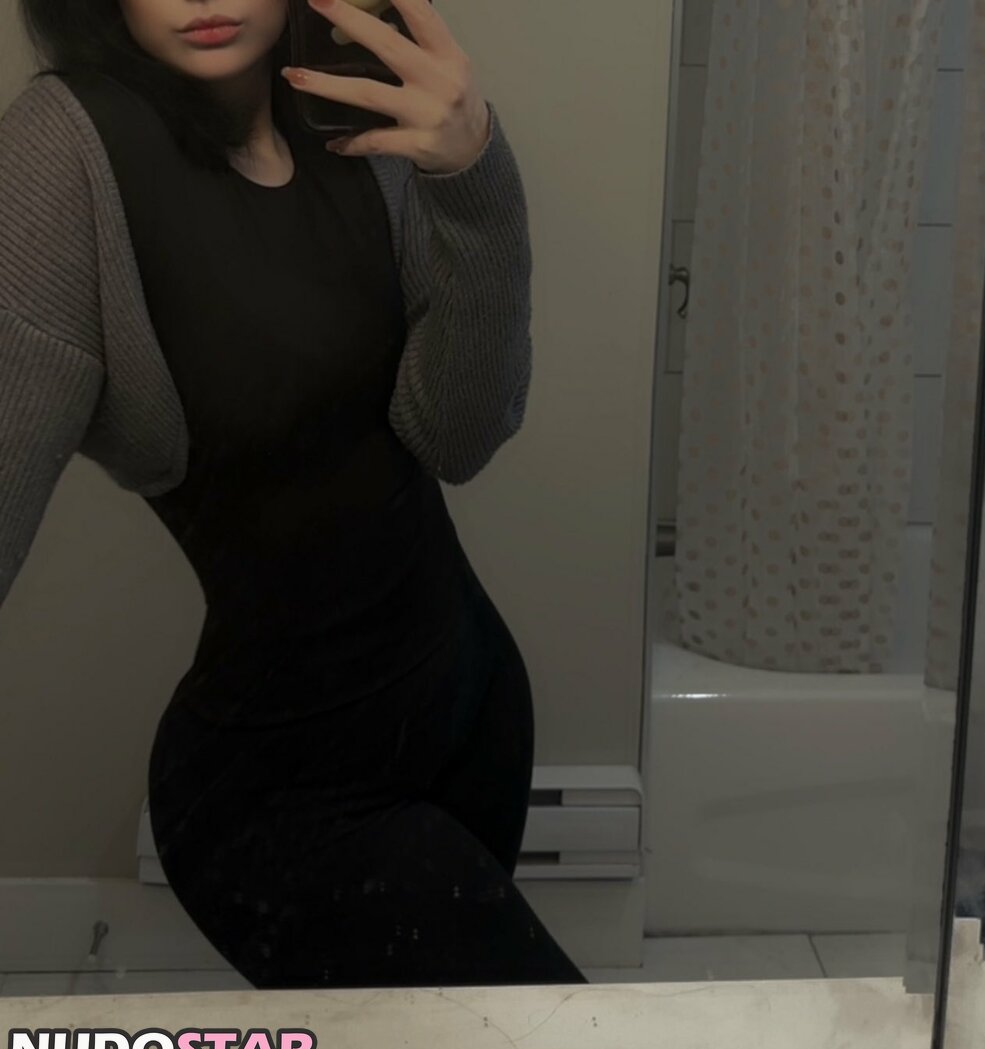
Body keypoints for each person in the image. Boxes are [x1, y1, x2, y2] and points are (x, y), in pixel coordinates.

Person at [0, 0, 588, 988]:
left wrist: (471, 179)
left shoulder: (353, 115)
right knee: (552, 1047)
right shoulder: (62, 154)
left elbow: (456, 436)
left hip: (472, 702)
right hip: (282, 794)